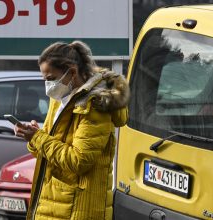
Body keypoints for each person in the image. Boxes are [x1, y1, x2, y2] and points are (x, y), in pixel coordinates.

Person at [14, 41, 129, 220]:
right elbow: (49, 155)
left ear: (72, 72)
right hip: (53, 204)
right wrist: (32, 137)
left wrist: (38, 138)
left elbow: (79, 161)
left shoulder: (94, 106)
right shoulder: (59, 98)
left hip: (77, 209)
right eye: (44, 79)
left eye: (51, 78)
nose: (48, 85)